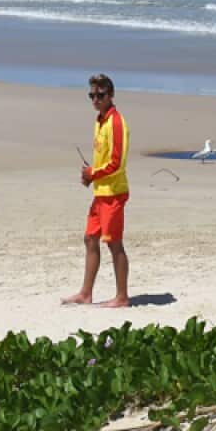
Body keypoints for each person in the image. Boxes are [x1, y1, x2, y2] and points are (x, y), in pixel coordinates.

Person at [63, 74, 130, 308]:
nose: (95, 100)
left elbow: (116, 162)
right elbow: (102, 160)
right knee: (90, 239)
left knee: (114, 243)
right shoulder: (99, 121)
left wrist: (93, 173)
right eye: (92, 95)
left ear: (110, 95)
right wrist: (90, 177)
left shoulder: (116, 122)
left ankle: (122, 296)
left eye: (100, 95)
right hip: (100, 192)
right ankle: (85, 293)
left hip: (114, 193)